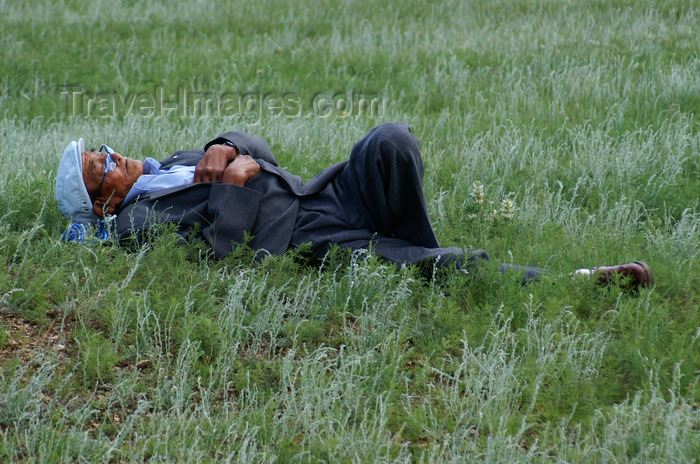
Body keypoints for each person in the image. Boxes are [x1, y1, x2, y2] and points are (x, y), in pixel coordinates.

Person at [55, 122, 653, 288]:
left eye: (103, 150)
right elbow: (222, 255)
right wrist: (233, 190)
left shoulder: (175, 159)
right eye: (99, 169)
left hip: (323, 191)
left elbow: (258, 144)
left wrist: (225, 145)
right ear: (102, 204)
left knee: (389, 143)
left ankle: (418, 246)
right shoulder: (136, 223)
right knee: (427, 269)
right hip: (302, 241)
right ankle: (575, 282)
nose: (113, 158)